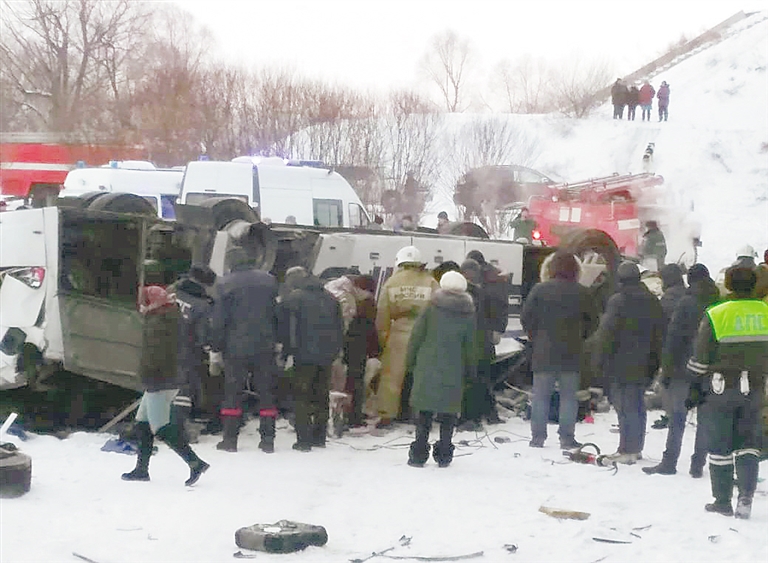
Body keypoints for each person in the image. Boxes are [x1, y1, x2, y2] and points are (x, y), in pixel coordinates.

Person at [686, 266, 768, 518]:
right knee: (748, 443)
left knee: (720, 445)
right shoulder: (765, 312)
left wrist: (693, 386)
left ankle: (722, 501)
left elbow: (701, 357)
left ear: (729, 285)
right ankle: (745, 495)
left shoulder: (717, 313)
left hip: (720, 388)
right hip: (755, 388)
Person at [122, 285, 209, 486]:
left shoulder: (158, 323)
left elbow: (154, 356)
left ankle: (195, 463)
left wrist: (148, 378)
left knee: (160, 427)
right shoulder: (166, 316)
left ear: (152, 303)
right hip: (164, 379)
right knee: (142, 423)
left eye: (144, 302)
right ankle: (141, 469)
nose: (141, 306)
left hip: (160, 381)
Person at [643, 264, 720, 477]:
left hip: (682, 368)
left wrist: (666, 371)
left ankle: (669, 462)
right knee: (704, 419)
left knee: (677, 417)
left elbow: (674, 337)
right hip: (709, 368)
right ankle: (697, 464)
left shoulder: (687, 302)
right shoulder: (718, 302)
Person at [521, 251, 599, 449]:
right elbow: (594, 322)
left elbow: (526, 318)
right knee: (568, 398)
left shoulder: (539, 290)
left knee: (540, 397)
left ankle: (538, 438)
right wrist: (581, 337)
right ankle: (566, 438)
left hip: (543, 352)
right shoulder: (582, 292)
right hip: (571, 352)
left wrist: (535, 336)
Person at [591, 261, 663, 464]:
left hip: (621, 362)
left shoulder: (618, 301)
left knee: (624, 407)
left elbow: (606, 333)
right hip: (646, 362)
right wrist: (656, 361)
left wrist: (598, 360)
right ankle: (636, 448)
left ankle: (626, 450)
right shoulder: (652, 300)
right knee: (638, 406)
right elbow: (660, 333)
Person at [210, 246, 280, 453]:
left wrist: (215, 347)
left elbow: (219, 320)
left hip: (235, 348)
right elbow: (277, 314)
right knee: (266, 392)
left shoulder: (224, 284)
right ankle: (268, 440)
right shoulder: (269, 280)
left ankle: (230, 440)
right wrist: (279, 341)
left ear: (231, 262)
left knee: (233, 392)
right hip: (265, 346)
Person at [405, 271, 476, 468]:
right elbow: (471, 346)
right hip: (455, 368)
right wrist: (471, 371)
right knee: (449, 414)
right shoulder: (468, 313)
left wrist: (410, 362)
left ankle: (418, 453)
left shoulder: (431, 307)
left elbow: (416, 336)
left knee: (424, 412)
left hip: (427, 365)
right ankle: (444, 453)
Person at [278, 266, 344, 451]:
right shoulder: (331, 298)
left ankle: (304, 440)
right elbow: (340, 327)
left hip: (303, 354)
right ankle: (319, 437)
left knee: (302, 396)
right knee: (321, 395)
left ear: (294, 281)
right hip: (326, 355)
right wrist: (336, 352)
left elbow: (287, 329)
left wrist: (286, 353)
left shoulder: (294, 299)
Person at [375, 246, 439, 428]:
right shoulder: (430, 282)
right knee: (422, 375)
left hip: (399, 333)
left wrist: (384, 338)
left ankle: (387, 414)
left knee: (391, 376)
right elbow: (438, 309)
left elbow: (382, 314)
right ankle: (422, 413)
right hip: (424, 333)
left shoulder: (391, 283)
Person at [169, 264, 217, 432]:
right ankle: (177, 428)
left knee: (160, 388)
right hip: (185, 352)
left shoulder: (170, 292)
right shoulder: (202, 305)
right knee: (183, 390)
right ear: (205, 284)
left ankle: (155, 424)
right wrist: (210, 349)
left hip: (160, 347)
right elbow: (203, 336)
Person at [343, 275, 379, 428]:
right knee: (356, 382)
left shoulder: (363, 304)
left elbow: (364, 328)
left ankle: (351, 415)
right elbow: (371, 329)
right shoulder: (368, 303)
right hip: (360, 348)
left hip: (354, 347)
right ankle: (354, 415)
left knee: (353, 383)